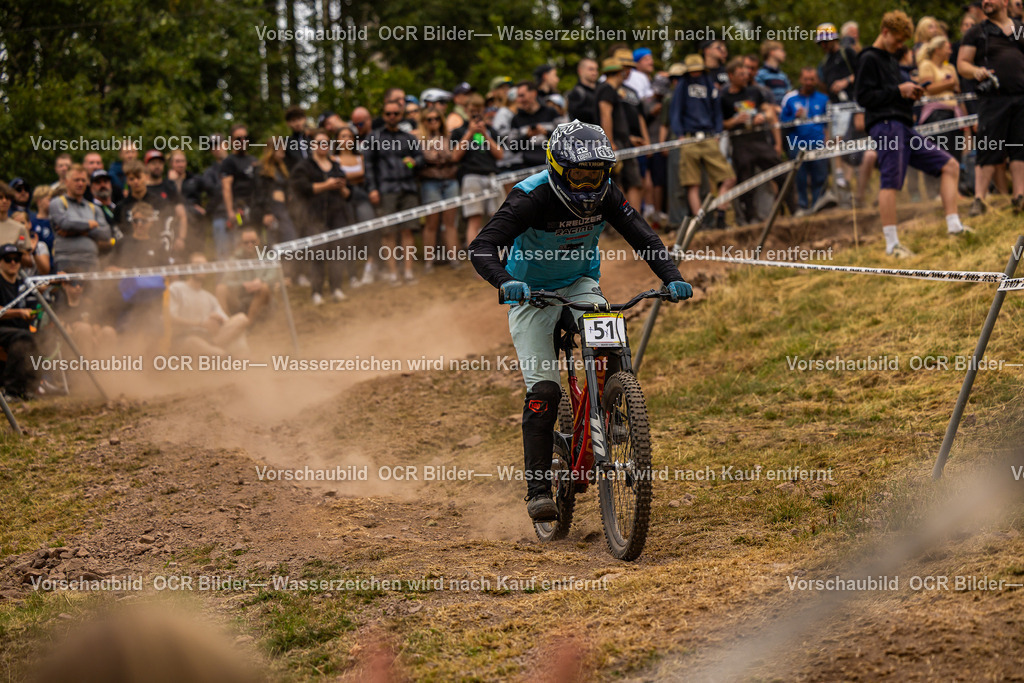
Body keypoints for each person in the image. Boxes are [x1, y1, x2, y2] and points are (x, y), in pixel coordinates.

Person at [468, 121, 693, 521]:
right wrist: (506, 282)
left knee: (609, 334)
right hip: (530, 294)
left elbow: (643, 237)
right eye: (580, 176)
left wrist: (672, 278)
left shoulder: (607, 194)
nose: (589, 186)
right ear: (557, 167)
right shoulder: (530, 197)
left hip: (578, 283)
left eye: (597, 175)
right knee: (545, 393)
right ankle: (538, 490)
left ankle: (616, 409)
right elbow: (482, 246)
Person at [856, 10, 971, 258]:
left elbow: (893, 93)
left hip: (905, 126)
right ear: (885, 32)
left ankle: (954, 226)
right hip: (886, 125)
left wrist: (912, 93)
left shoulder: (890, 60)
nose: (900, 46)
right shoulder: (868, 58)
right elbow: (864, 97)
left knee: (949, 165)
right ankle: (892, 244)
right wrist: (899, 90)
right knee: (891, 181)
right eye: (897, 40)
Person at [957, 0, 1024, 215]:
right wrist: (975, 71)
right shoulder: (977, 32)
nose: (985, 2)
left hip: (1020, 97)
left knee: (1019, 149)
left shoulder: (1019, 29)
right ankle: (979, 200)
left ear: (1004, 1)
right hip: (992, 100)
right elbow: (962, 63)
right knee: (988, 148)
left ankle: (1019, 197)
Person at [669, 53, 736, 228]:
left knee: (728, 177)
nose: (695, 73)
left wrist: (717, 132)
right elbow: (675, 111)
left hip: (708, 137)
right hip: (689, 139)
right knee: (693, 184)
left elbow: (717, 111)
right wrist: (680, 135)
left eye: (698, 70)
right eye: (692, 70)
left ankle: (721, 215)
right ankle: (699, 225)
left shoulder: (709, 83)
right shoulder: (682, 85)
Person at [721, 57, 790, 223]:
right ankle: (750, 218)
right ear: (731, 76)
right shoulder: (723, 97)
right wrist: (735, 121)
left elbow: (769, 112)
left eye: (746, 74)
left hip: (760, 140)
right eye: (741, 74)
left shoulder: (755, 91)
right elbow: (720, 123)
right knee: (746, 182)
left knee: (783, 174)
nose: (745, 77)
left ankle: (792, 210)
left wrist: (762, 116)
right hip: (740, 143)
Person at [364, 100, 424, 284]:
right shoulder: (373, 138)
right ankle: (392, 274)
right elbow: (368, 166)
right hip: (386, 190)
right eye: (388, 113)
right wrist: (372, 189)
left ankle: (408, 272)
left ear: (401, 116)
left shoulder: (408, 138)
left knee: (408, 231)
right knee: (388, 233)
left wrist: (415, 162)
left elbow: (421, 157)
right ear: (383, 115)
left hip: (407, 188)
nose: (392, 117)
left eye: (396, 114)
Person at [290, 129, 351, 304]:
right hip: (313, 215)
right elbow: (301, 188)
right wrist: (326, 185)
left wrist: (341, 187)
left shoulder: (335, 165)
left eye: (325, 142)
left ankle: (336, 289)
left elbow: (348, 194)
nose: (322, 146)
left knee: (338, 253)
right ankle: (316, 292)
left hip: (337, 214)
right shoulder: (304, 166)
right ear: (312, 145)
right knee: (318, 254)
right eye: (319, 142)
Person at [917, 36, 968, 200]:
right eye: (947, 47)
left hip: (953, 112)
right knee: (940, 152)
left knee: (955, 153)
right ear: (937, 49)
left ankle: (954, 191)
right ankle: (937, 192)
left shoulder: (950, 67)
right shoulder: (926, 65)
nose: (950, 51)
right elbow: (928, 88)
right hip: (935, 114)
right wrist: (949, 84)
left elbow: (958, 89)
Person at [168, 253, 249, 356]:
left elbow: (226, 321)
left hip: (210, 338)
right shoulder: (176, 288)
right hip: (185, 338)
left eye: (205, 266)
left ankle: (215, 348)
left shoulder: (209, 298)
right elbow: (170, 318)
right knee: (202, 346)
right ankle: (221, 354)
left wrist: (219, 320)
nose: (201, 268)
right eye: (197, 264)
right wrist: (201, 323)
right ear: (188, 267)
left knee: (242, 319)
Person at [451, 94, 504, 249]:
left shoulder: (491, 131)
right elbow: (455, 156)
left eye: (478, 111)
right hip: (471, 177)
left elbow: (500, 154)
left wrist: (485, 135)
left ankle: (498, 256)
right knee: (474, 220)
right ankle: (476, 261)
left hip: (491, 176)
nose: (475, 114)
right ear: (466, 110)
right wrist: (469, 133)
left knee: (497, 219)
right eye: (472, 111)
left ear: (483, 110)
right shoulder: (459, 132)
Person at [780, 68, 831, 211]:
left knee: (820, 176)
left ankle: (818, 205)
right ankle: (801, 206)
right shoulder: (790, 98)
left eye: (812, 79)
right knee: (799, 177)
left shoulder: (823, 98)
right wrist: (795, 117)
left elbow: (828, 124)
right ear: (800, 79)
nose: (809, 82)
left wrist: (827, 142)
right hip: (797, 143)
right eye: (806, 79)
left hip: (818, 142)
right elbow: (782, 122)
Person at [417, 107, 459, 271]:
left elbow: (453, 156)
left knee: (450, 222)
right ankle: (429, 261)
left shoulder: (450, 137)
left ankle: (454, 259)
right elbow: (427, 158)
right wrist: (437, 154)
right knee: (431, 223)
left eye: (436, 118)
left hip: (450, 180)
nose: (433, 122)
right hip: (430, 182)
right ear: (424, 122)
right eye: (429, 119)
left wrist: (438, 153)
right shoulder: (419, 139)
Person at [335, 125, 377, 287]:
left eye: (349, 136)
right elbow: (341, 178)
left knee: (370, 230)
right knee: (349, 237)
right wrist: (358, 176)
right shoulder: (333, 159)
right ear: (337, 140)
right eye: (343, 136)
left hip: (362, 196)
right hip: (343, 200)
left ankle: (370, 268)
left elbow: (364, 176)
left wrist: (347, 177)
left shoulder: (361, 157)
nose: (346, 140)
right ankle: (352, 275)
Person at [49, 164, 112, 272]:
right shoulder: (58, 202)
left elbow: (106, 233)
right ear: (66, 181)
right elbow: (65, 224)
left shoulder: (94, 208)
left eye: (83, 180)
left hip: (91, 260)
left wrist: (81, 232)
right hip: (66, 259)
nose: (80, 184)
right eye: (76, 180)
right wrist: (90, 225)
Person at [0, 243, 42, 400]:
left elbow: (43, 289)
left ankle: (31, 388)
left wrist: (56, 283)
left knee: (41, 336)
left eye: (17, 259)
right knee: (22, 338)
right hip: (4, 330)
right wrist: (18, 312)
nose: (13, 263)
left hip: (21, 330)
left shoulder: (24, 284)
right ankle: (11, 389)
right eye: (7, 259)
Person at [220, 123, 258, 255]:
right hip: (238, 210)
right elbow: (226, 187)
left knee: (256, 240)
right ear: (231, 141)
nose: (242, 141)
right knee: (240, 238)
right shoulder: (229, 161)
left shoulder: (254, 160)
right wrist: (230, 211)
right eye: (238, 139)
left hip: (255, 208)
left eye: (245, 138)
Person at [509, 81, 560, 170]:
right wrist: (527, 136)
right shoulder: (516, 119)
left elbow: (566, 139)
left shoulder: (551, 112)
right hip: (528, 168)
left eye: (522, 96)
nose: (519, 100)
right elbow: (512, 147)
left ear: (533, 94)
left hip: (553, 165)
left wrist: (546, 132)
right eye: (518, 96)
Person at [567, 58, 600, 124]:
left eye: (596, 69)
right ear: (580, 71)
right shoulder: (576, 93)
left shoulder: (601, 90)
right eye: (591, 69)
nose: (595, 73)